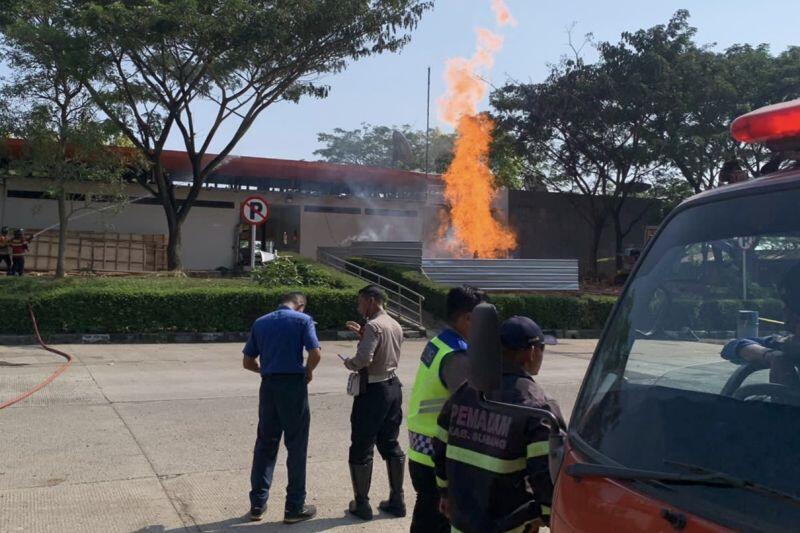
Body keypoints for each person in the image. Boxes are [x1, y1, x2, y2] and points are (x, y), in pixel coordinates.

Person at [433, 316, 563, 533]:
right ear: (531, 352)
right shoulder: (537, 405)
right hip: (510, 526)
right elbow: (545, 472)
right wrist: (547, 515)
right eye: (542, 348)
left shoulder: (465, 392)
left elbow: (439, 448)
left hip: (462, 523)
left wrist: (445, 492)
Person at [407, 285, 488, 533]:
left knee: (427, 517)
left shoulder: (440, 341)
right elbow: (473, 407)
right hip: (439, 455)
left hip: (422, 449)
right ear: (467, 318)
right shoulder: (457, 356)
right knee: (438, 522)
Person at [242, 292, 322, 524]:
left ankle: (257, 504)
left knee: (265, 444)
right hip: (293, 387)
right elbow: (315, 353)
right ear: (300, 305)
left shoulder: (261, 322)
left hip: (268, 387)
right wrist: (307, 372)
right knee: (296, 446)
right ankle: (294, 507)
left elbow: (247, 362)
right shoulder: (302, 320)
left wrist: (266, 370)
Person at [342, 285, 405, 521]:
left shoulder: (373, 326)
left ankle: (362, 504)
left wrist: (349, 362)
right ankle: (397, 499)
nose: (359, 308)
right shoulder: (394, 323)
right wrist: (363, 335)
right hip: (392, 388)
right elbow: (385, 351)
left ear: (371, 300)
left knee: (361, 445)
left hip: (373, 392)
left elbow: (364, 359)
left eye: (360, 303)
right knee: (390, 442)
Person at [721, 263, 800, 388]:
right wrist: (770, 355)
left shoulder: (789, 345)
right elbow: (731, 346)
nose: (785, 311)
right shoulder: (786, 344)